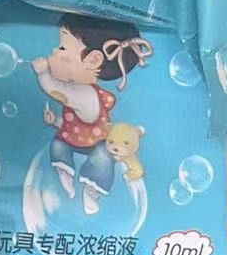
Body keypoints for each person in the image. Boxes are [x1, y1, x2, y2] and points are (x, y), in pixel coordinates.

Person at [30, 14, 152, 216]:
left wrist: (43, 73)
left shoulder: (84, 94)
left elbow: (55, 90)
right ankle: (65, 174)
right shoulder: (75, 91)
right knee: (58, 144)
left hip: (96, 142)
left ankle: (91, 191)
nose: (53, 52)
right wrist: (56, 121)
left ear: (93, 59)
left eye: (62, 47)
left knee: (103, 158)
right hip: (74, 137)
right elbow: (72, 123)